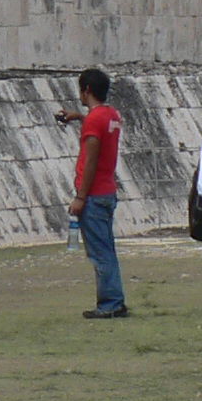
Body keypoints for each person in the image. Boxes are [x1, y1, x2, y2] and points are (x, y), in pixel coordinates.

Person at [63, 67, 128, 317]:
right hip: (107, 191)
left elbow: (90, 160)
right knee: (106, 249)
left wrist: (80, 196)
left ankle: (110, 303)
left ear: (86, 90)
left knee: (100, 253)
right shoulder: (111, 114)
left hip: (93, 194)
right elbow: (99, 125)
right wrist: (80, 117)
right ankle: (114, 300)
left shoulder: (95, 120)